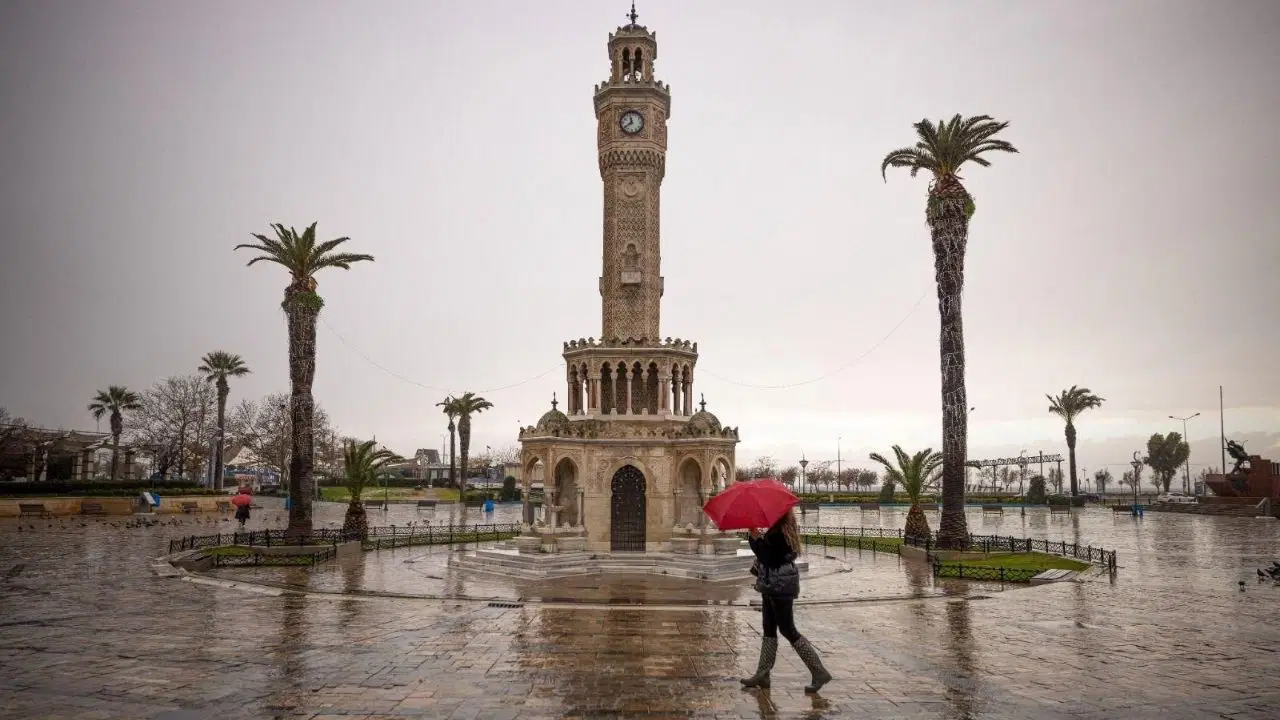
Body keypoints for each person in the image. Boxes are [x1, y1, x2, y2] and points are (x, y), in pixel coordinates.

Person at [741, 508, 831, 693]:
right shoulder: (781, 530)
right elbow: (769, 555)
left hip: (780, 587)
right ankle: (763, 674)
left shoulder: (779, 533)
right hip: (771, 585)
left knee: (788, 629)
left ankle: (819, 671)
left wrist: (754, 537)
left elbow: (767, 557)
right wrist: (757, 537)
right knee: (768, 628)